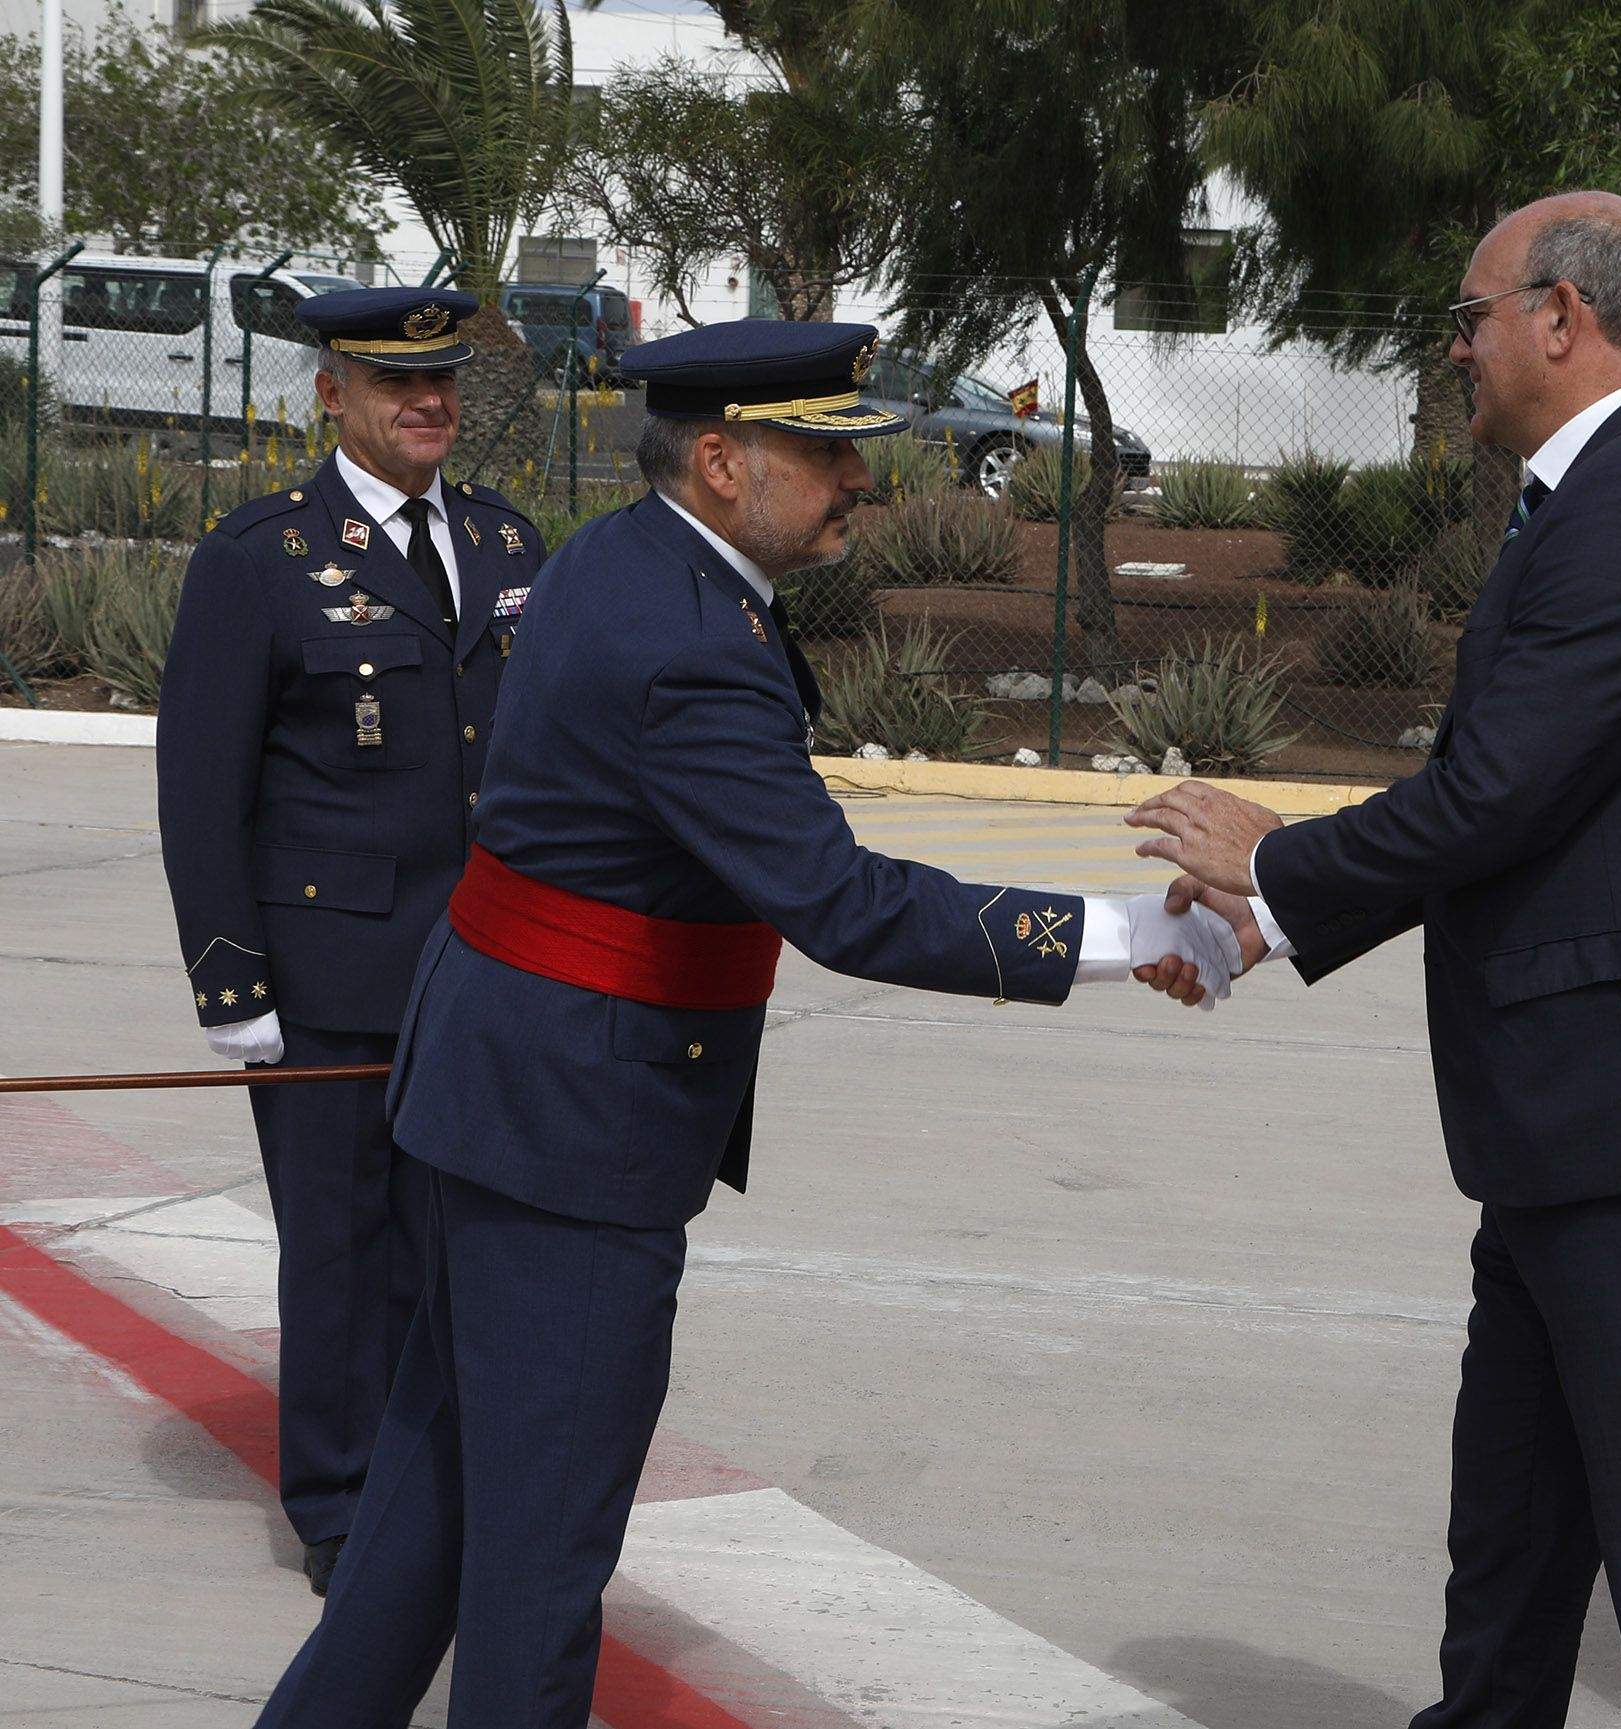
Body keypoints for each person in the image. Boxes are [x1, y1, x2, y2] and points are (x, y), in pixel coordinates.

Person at [249, 318, 1240, 1727]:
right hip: (577, 1132)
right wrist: (1143, 929)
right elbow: (843, 901)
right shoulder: (690, 641)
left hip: (497, 1088)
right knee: (539, 1562)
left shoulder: (620, 558)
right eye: (825, 454)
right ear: (722, 462)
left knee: (431, 1501)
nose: (859, 481)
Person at [1129, 191, 1621, 1729]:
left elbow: (1499, 791)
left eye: (1469, 318)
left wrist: (1274, 857)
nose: (1455, 350)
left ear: (1561, 318)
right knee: (1514, 1544)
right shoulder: (1611, 492)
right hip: (1585, 1122)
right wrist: (1273, 923)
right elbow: (1533, 814)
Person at [155, 286, 542, 1596]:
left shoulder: (504, 540)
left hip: (483, 967)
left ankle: (444, 1482)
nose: (428, 402)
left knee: (461, 1242)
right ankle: (343, 1502)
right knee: (341, 1244)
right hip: (331, 974)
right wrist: (231, 984)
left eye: (443, 381)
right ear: (333, 396)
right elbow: (201, 789)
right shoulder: (262, 556)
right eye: (395, 384)